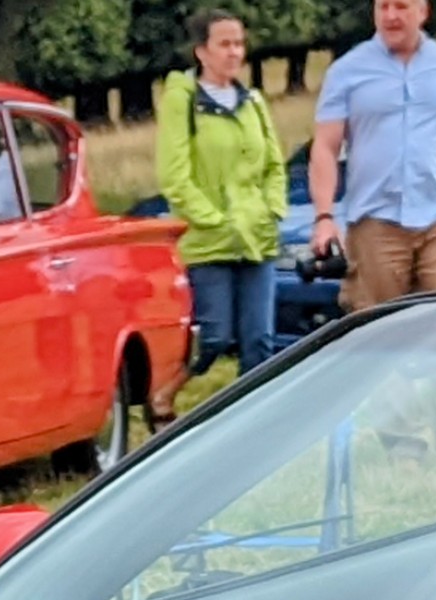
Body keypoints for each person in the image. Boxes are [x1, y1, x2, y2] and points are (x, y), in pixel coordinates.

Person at [306, 0, 436, 312]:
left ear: (423, 11)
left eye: (400, 7)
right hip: (375, 219)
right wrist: (323, 217)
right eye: (383, 7)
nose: (391, 16)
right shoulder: (346, 72)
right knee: (377, 327)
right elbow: (325, 147)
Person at [157, 9, 288, 392]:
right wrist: (212, 219)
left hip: (256, 238)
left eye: (239, 44)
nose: (234, 53)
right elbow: (174, 174)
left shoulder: (253, 103)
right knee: (213, 338)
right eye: (224, 44)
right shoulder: (182, 101)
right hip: (209, 239)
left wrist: (272, 209)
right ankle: (164, 392)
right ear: (202, 51)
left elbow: (274, 165)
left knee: (259, 340)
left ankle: (252, 416)